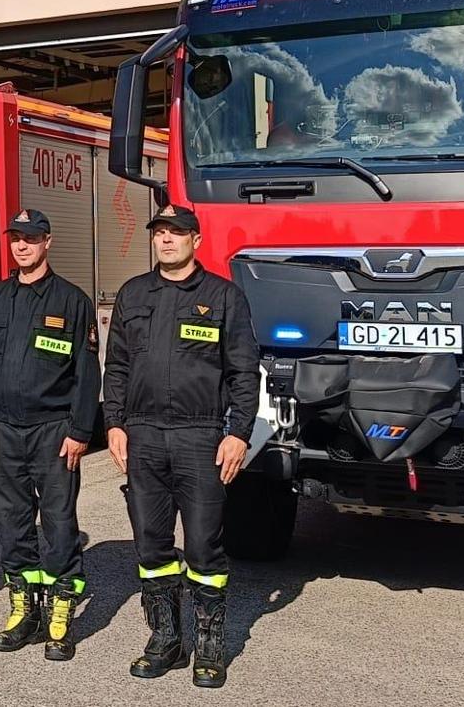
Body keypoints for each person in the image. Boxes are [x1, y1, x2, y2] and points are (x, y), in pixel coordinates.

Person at [103, 204, 259, 688]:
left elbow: (243, 371)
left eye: (177, 232)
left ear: (197, 240)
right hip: (143, 435)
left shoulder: (223, 296)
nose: (166, 239)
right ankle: (165, 639)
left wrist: (238, 433)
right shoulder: (133, 294)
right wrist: (114, 423)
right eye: (160, 232)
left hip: (201, 437)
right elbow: (118, 366)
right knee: (151, 544)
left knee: (204, 548)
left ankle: (210, 645)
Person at [0, 209, 99, 661]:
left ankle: (61, 611)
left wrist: (81, 430)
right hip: (3, 428)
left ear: (48, 242)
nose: (21, 246)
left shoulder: (72, 301)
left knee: (60, 521)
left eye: (30, 238)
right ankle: (23, 609)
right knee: (11, 520)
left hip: (54, 430)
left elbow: (87, 373)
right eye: (15, 239)